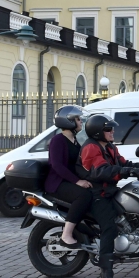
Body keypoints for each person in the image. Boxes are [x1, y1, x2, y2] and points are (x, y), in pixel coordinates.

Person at [80, 114, 136, 278]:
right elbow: (102, 171)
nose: (112, 131)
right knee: (109, 229)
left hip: (110, 192)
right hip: (97, 195)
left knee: (135, 217)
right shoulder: (91, 148)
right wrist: (126, 171)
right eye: (108, 129)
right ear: (98, 132)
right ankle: (106, 276)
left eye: (112, 128)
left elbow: (122, 163)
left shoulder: (109, 146)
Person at [44, 106, 94, 247]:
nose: (81, 122)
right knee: (83, 195)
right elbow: (57, 165)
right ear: (68, 121)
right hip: (57, 183)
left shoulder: (75, 140)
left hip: (68, 181)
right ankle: (66, 235)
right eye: (78, 119)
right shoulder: (58, 140)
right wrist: (78, 181)